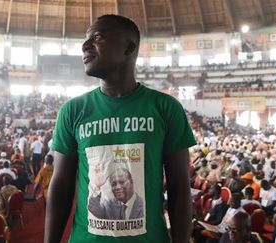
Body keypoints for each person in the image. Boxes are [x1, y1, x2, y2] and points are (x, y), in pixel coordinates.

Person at [44, 14, 196, 243]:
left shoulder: (165, 108)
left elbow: (179, 186)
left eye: (97, 37)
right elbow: (62, 184)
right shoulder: (73, 110)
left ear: (129, 47)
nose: (85, 45)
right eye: (86, 39)